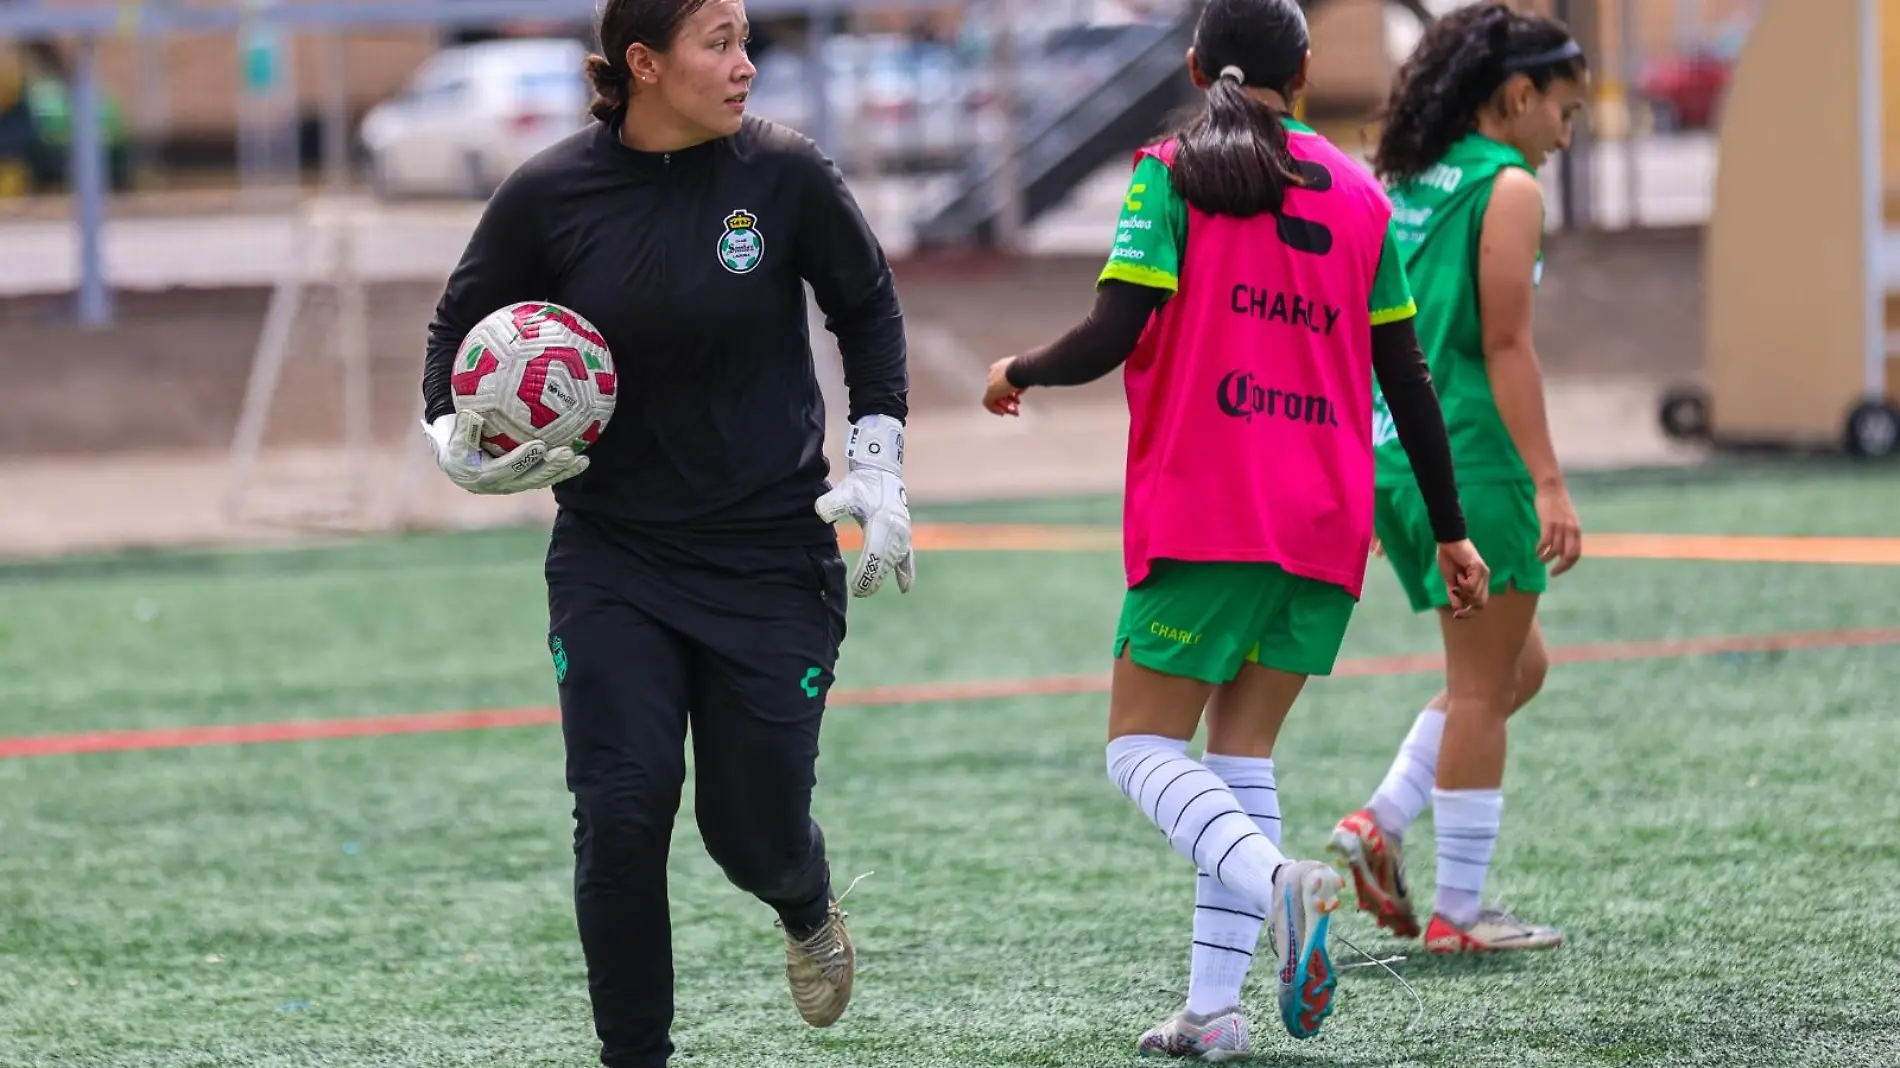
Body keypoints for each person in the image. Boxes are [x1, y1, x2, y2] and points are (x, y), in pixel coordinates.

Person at [980, 0, 1487, 1056]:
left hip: (1213, 501)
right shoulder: (1358, 194)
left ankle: (1279, 883)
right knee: (1241, 750)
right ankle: (1214, 1014)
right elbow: (1408, 377)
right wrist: (1450, 531)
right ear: (1302, 75)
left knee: (1137, 749)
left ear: (1196, 62)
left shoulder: (1171, 167)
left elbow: (1113, 333)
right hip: (1326, 514)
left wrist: (1017, 370)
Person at [416, 1, 917, 1065]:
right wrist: (451, 438)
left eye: (744, 41)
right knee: (623, 810)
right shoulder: (551, 192)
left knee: (754, 835)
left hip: (770, 558)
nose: (744, 65)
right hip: (614, 558)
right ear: (643, 63)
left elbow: (866, 310)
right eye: (719, 43)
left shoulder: (784, 175)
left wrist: (877, 465)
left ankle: (805, 900)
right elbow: (454, 333)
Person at [1326, 0, 1588, 957]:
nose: (1565, 135)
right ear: (1517, 96)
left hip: (1395, 458)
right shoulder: (1508, 186)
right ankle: (1460, 915)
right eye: (1564, 112)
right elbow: (1505, 343)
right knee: (1482, 687)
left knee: (1519, 667)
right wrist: (1550, 482)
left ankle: (1378, 824)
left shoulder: (1403, 177)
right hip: (1470, 456)